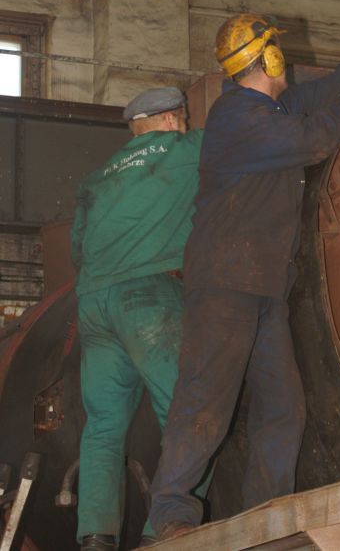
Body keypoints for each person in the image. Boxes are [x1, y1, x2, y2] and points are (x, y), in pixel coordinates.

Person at [147, 11, 340, 540]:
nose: (283, 59)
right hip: (226, 282)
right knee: (206, 399)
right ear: (266, 57)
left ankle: (263, 519)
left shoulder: (270, 106)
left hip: (264, 286)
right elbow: (316, 138)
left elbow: (330, 87)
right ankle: (171, 515)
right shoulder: (237, 117)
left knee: (284, 407)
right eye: (277, 51)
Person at [71, 86, 211, 551]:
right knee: (187, 413)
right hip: (147, 297)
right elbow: (252, 139)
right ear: (172, 120)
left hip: (93, 305)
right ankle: (163, 533)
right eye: (184, 120)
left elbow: (76, 250)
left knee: (104, 426)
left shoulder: (95, 178)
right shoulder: (186, 149)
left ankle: (96, 537)